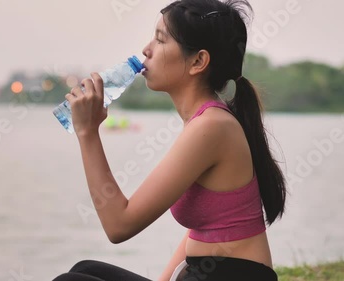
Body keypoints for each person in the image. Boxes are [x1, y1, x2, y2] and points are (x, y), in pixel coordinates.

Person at [52, 0, 286, 280]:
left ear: (198, 61)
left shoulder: (211, 127)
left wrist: (87, 133)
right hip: (205, 273)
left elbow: (119, 225)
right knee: (85, 270)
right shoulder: (204, 122)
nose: (146, 50)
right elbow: (202, 228)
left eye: (161, 40)